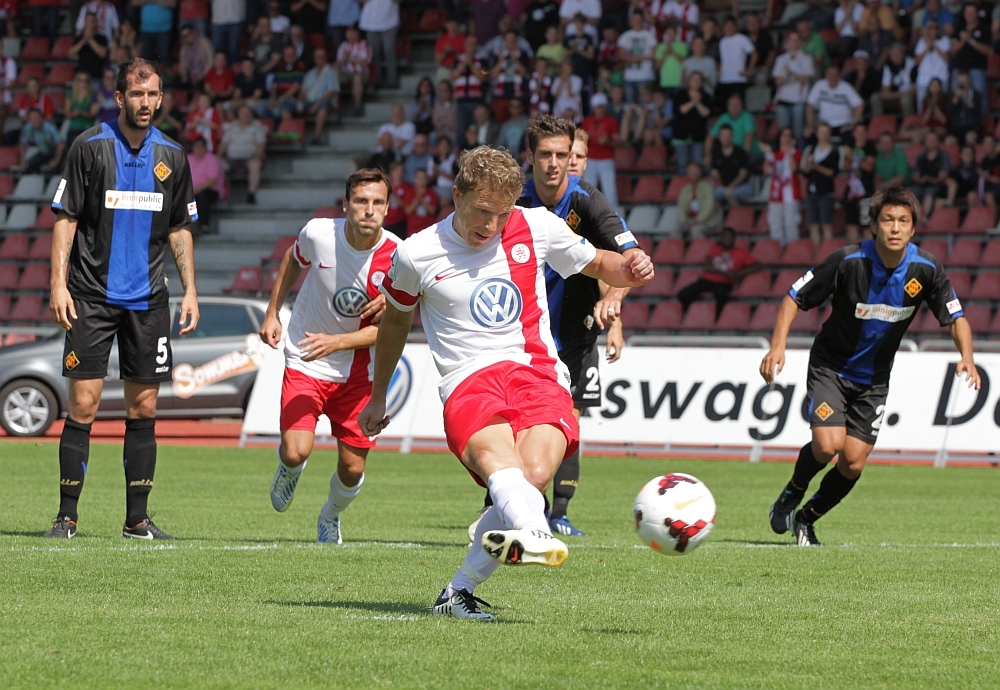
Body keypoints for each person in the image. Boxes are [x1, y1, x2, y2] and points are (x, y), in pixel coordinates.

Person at [358, 146, 653, 621]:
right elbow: (394, 323)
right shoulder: (416, 252)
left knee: (533, 474)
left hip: (538, 372)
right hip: (469, 379)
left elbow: (601, 263)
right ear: (457, 195)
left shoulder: (536, 225)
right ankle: (535, 531)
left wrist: (632, 266)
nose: (492, 225)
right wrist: (377, 395)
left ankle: (458, 592)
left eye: (502, 213)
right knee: (501, 463)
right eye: (482, 211)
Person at [762, 186, 979, 546]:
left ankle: (806, 517)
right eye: (888, 220)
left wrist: (966, 357)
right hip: (831, 367)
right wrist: (777, 347)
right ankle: (791, 493)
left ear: (913, 228)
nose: (895, 227)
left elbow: (956, 318)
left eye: (903, 221)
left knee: (853, 463)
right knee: (828, 445)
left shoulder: (926, 270)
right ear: (874, 225)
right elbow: (794, 297)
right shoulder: (847, 261)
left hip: (874, 380)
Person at [45, 58, 200, 541]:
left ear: (161, 97)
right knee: (84, 404)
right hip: (90, 296)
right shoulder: (89, 146)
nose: (146, 102)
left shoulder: (172, 155)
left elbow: (179, 227)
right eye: (137, 94)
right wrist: (57, 284)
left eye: (153, 94)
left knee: (145, 407)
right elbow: (66, 218)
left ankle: (137, 520)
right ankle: (66, 517)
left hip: (149, 300)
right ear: (120, 98)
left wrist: (190, 290)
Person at [481, 114, 636, 537]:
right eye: (546, 155)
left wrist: (614, 301)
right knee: (514, 423)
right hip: (520, 337)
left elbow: (622, 258)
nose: (555, 164)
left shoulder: (587, 200)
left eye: (563, 155)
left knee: (567, 420)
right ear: (530, 156)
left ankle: (558, 512)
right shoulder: (514, 199)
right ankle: (507, 504)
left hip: (574, 334)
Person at [260, 169, 397, 543]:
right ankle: (290, 469)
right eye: (361, 201)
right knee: (295, 451)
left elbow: (393, 330)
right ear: (346, 205)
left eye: (377, 202)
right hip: (307, 357)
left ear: (388, 208)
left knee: (352, 469)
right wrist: (273, 312)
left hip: (359, 373)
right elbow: (292, 259)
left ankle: (330, 516)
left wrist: (339, 342)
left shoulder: (399, 258)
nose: (368, 210)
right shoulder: (319, 234)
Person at [677, 227, 762, 317]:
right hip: (707, 280)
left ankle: (718, 318)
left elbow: (759, 266)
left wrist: (740, 273)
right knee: (682, 295)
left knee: (721, 295)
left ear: (734, 238)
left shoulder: (741, 253)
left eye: (729, 236)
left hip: (725, 282)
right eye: (725, 236)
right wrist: (725, 272)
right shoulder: (715, 249)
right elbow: (706, 267)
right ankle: (689, 314)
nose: (727, 239)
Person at [762, 127, 803, 246]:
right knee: (775, 224)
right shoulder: (773, 154)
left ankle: (793, 250)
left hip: (791, 194)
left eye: (789, 135)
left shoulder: (796, 153)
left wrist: (788, 152)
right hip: (776, 193)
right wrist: (768, 154)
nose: (786, 138)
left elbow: (794, 168)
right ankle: (778, 250)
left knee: (791, 224)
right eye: (784, 135)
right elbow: (766, 171)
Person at [219, 104, 267, 203]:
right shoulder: (232, 126)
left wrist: (257, 157)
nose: (245, 115)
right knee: (216, 164)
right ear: (238, 115)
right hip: (231, 158)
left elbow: (261, 144)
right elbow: (224, 144)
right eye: (242, 113)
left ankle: (251, 193)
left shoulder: (257, 126)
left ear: (251, 114)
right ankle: (220, 195)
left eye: (247, 113)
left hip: (249, 158)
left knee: (255, 164)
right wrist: (217, 157)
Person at [805, 65, 864, 145]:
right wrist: (810, 125)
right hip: (824, 125)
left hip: (843, 125)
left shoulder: (846, 87)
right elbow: (809, 105)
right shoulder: (819, 85)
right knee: (810, 137)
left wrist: (853, 125)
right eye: (830, 74)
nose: (832, 77)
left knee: (849, 138)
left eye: (835, 74)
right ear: (826, 75)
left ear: (839, 76)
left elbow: (859, 105)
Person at [772, 31, 814, 145]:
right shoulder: (781, 59)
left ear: (799, 42)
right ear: (788, 42)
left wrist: (792, 73)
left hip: (798, 100)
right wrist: (787, 76)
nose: (794, 42)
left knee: (798, 133)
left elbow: (806, 79)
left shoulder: (806, 58)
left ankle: (800, 152)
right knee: (784, 133)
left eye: (796, 39)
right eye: (792, 39)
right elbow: (777, 80)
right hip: (783, 100)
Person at [579, 92, 619, 206]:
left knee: (609, 189)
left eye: (601, 107)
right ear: (594, 107)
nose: (599, 109)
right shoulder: (587, 121)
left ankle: (613, 213)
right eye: (598, 107)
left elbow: (617, 142)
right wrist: (586, 139)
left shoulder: (611, 121)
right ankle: (587, 211)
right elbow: (580, 140)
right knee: (588, 189)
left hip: (606, 159)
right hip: (590, 158)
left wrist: (607, 142)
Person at [804, 122, 840, 245]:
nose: (823, 135)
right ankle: (815, 249)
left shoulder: (834, 151)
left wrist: (816, 166)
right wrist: (810, 165)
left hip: (826, 191)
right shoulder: (811, 149)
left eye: (826, 132)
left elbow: (832, 172)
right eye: (821, 132)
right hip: (812, 190)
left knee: (826, 223)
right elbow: (805, 171)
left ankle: (828, 249)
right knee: (813, 224)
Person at [842, 122, 876, 243]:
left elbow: (869, 167)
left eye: (863, 132)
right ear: (854, 134)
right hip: (851, 191)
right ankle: (854, 251)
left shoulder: (870, 147)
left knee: (867, 223)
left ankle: (870, 251)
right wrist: (849, 157)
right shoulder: (850, 147)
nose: (860, 135)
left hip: (866, 191)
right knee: (851, 223)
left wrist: (854, 157)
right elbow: (845, 168)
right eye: (858, 132)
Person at [298, 47, 339, 145]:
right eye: (317, 57)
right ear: (314, 59)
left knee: (323, 106)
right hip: (308, 101)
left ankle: (316, 137)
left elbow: (331, 92)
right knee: (288, 105)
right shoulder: (310, 73)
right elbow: (303, 92)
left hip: (324, 100)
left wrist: (317, 104)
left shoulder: (331, 72)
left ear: (326, 58)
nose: (320, 59)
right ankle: (293, 138)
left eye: (322, 57)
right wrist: (299, 103)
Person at [671, 71, 710, 171]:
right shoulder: (680, 95)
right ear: (689, 81)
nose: (696, 81)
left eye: (699, 79)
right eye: (694, 79)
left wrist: (697, 103)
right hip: (681, 136)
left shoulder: (706, 96)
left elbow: (706, 113)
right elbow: (681, 110)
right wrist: (694, 101)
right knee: (682, 164)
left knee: (698, 164)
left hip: (698, 136)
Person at [715, 15, 756, 107]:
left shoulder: (742, 39)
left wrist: (749, 70)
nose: (729, 28)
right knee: (724, 106)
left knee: (738, 106)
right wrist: (720, 71)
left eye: (731, 26)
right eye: (726, 26)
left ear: (735, 27)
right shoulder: (722, 41)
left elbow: (754, 54)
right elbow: (723, 58)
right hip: (724, 79)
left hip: (738, 78)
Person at [187, 135, 224, 233]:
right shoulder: (189, 159)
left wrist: (197, 190)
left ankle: (204, 225)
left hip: (211, 190)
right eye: (196, 146)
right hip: (192, 191)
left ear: (205, 148)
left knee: (202, 196)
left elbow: (212, 179)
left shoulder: (212, 159)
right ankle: (189, 226)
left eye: (201, 146)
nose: (198, 149)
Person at [909, 130, 950, 220]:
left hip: (937, 186)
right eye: (928, 140)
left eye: (933, 140)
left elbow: (942, 177)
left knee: (929, 194)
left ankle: (924, 218)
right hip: (921, 185)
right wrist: (919, 179)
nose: (930, 142)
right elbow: (916, 175)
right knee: (907, 193)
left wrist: (929, 179)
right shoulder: (921, 155)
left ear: (938, 141)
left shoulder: (943, 155)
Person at [359, 0, 399, 89]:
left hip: (389, 21)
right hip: (370, 22)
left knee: (389, 51)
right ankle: (376, 80)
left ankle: (392, 80)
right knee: (374, 53)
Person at [711, 124, 753, 206]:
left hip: (742, 187)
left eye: (728, 136)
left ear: (732, 136)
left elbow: (743, 174)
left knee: (730, 194)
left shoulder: (740, 152)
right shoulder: (716, 154)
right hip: (725, 188)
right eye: (723, 136)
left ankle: (738, 211)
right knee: (709, 194)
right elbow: (715, 173)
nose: (726, 138)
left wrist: (731, 187)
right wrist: (711, 184)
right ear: (719, 137)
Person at [676, 162, 722, 238]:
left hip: (706, 221)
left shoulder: (707, 188)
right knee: (676, 229)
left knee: (696, 230)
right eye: (690, 171)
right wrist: (684, 221)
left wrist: (697, 221)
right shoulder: (685, 190)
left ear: (700, 172)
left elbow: (709, 208)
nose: (693, 173)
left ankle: (701, 246)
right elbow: (681, 208)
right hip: (689, 220)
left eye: (695, 171)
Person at [336, 24, 371, 117]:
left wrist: (351, 58)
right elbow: (339, 63)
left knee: (357, 78)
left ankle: (357, 106)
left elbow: (365, 62)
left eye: (352, 32)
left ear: (357, 33)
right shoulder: (343, 45)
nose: (350, 34)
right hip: (345, 72)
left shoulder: (364, 44)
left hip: (361, 72)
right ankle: (333, 106)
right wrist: (344, 60)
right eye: (348, 32)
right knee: (332, 75)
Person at [874, 43, 915, 117]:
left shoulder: (911, 64)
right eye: (893, 55)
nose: (895, 57)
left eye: (897, 54)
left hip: (908, 95)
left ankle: (909, 122)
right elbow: (885, 89)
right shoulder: (888, 66)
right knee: (875, 98)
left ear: (903, 54)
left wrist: (895, 94)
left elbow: (914, 89)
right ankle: (878, 122)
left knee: (905, 100)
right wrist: (891, 94)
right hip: (894, 96)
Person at [71, 11, 110, 80]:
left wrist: (90, 40)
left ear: (95, 22)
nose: (90, 23)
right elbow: (71, 53)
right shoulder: (79, 38)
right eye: (88, 21)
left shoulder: (101, 38)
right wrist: (83, 40)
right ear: (85, 22)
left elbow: (103, 54)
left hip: (96, 76)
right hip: (82, 76)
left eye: (92, 21)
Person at [178, 23, 215, 89]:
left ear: (194, 33)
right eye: (184, 36)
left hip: (204, 75)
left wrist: (202, 75)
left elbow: (210, 60)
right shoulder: (184, 48)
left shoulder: (204, 43)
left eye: (188, 34)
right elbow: (182, 64)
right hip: (190, 76)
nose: (187, 38)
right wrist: (184, 76)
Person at [944, 144, 981, 208]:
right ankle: (948, 208)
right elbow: (949, 180)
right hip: (958, 192)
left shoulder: (978, 169)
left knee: (972, 195)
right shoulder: (956, 169)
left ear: (973, 155)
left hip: (972, 192)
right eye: (965, 153)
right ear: (960, 155)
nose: (967, 155)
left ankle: (972, 213)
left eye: (969, 154)